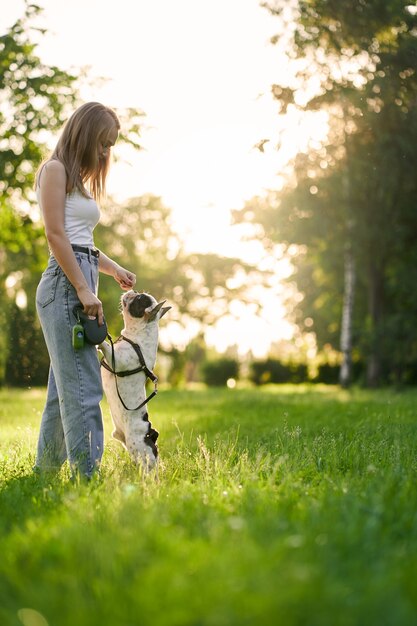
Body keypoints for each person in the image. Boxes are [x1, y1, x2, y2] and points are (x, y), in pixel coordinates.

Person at [35, 102, 136, 480]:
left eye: (110, 145)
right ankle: (87, 477)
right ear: (84, 133)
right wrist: (81, 287)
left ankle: (44, 474)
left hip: (80, 278)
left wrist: (112, 270)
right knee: (85, 388)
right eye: (103, 143)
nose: (106, 152)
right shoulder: (54, 170)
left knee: (64, 391)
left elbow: (84, 242)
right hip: (64, 286)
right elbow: (55, 235)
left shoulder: (75, 177)